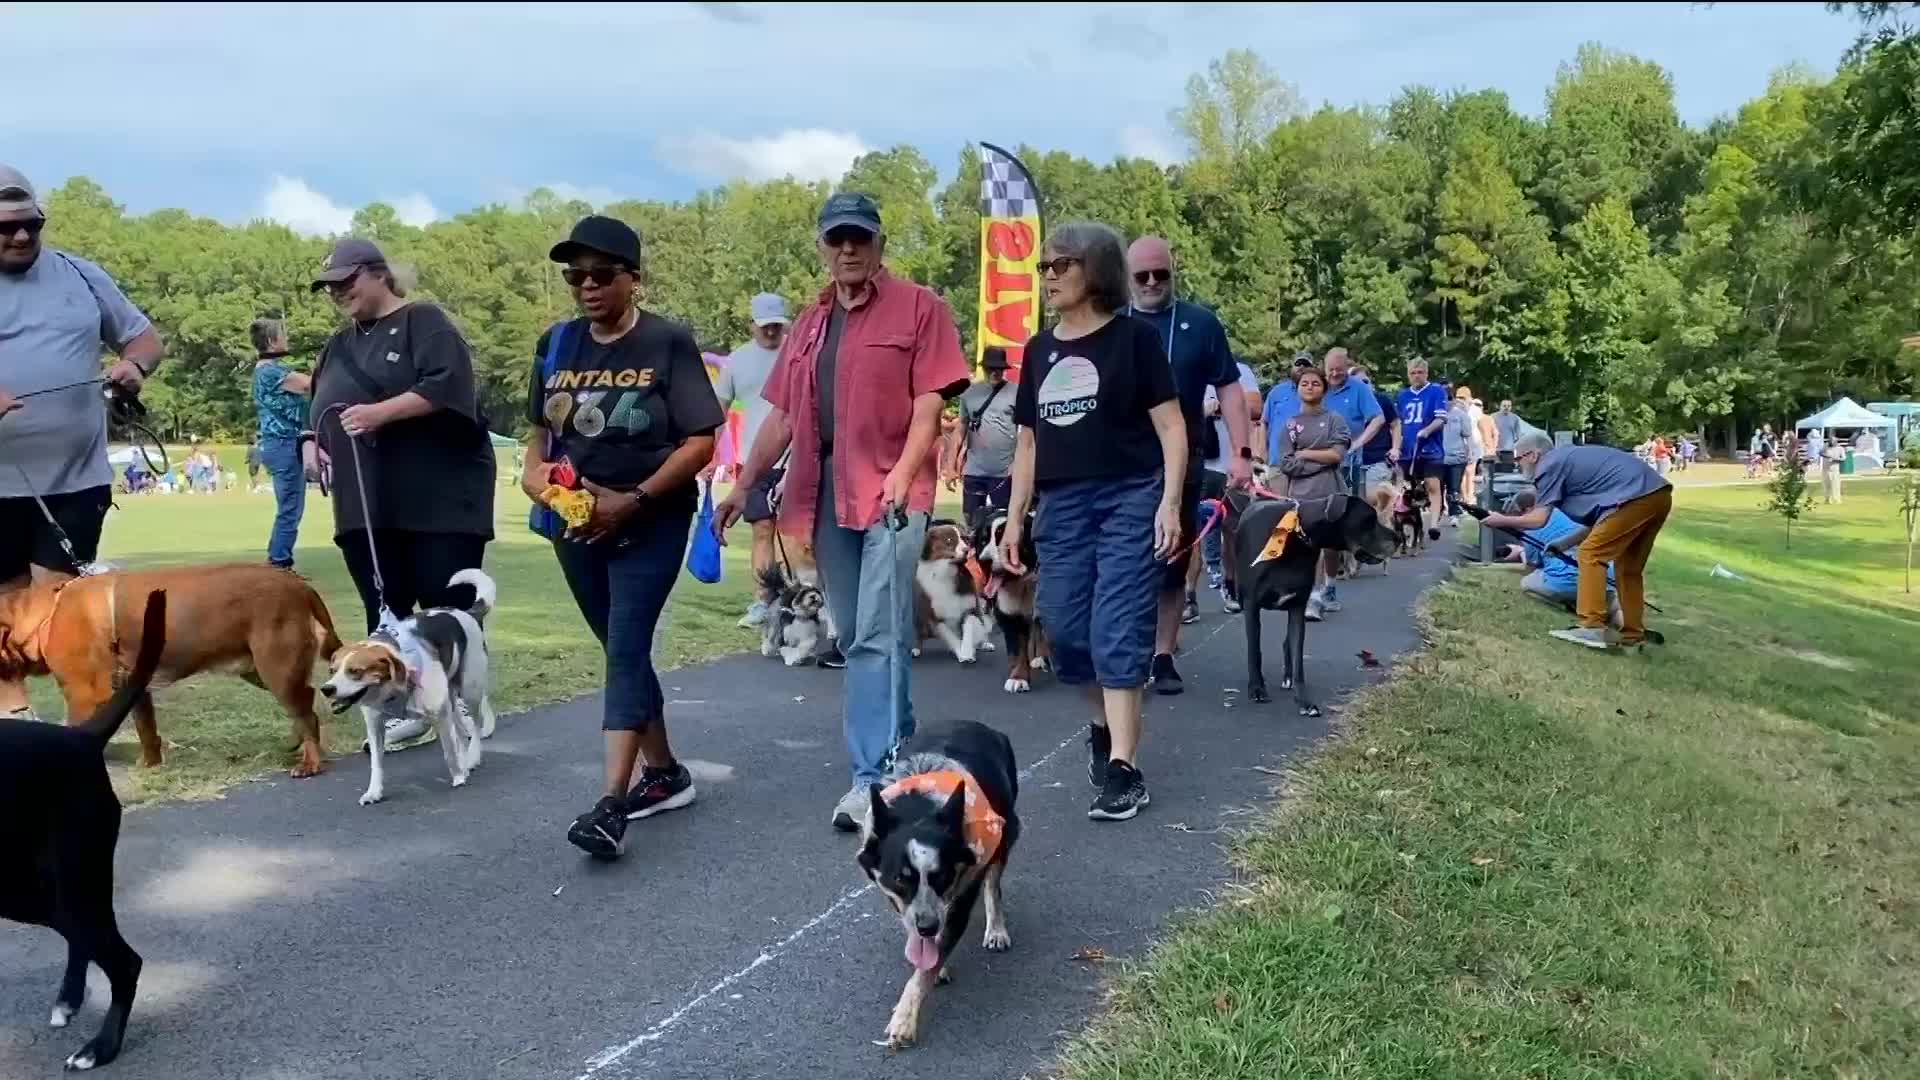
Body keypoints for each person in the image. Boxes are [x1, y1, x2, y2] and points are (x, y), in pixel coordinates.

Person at [715, 192, 970, 831]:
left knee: (877, 634)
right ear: (823, 247)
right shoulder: (809, 322)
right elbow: (781, 417)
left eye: (860, 237)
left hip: (892, 492)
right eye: (837, 239)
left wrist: (905, 472)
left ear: (880, 242)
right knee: (858, 633)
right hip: (825, 491)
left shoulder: (921, 306)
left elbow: (930, 404)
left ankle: (874, 778)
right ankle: (898, 735)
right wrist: (743, 485)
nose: (848, 248)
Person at [520, 216, 724, 859]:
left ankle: (611, 805)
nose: (587, 286)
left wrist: (633, 501)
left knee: (626, 648)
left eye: (602, 274)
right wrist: (539, 483)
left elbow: (700, 442)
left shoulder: (667, 342)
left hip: (650, 518)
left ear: (633, 279)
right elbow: (538, 441)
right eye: (575, 276)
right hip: (576, 524)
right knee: (621, 649)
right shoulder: (556, 344)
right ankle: (664, 773)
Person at [998, 221, 1186, 821]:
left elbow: (1171, 427)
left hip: (1131, 495)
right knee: (1063, 626)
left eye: (1062, 265)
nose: (1048, 277)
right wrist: (1014, 519)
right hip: (1062, 504)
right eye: (1044, 268)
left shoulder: (1135, 341)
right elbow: (1028, 442)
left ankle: (1124, 769)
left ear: (1096, 269)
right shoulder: (1038, 350)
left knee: (1118, 625)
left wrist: (1170, 502)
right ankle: (1103, 728)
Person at [300, 236, 496, 743]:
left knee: (445, 609)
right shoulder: (338, 344)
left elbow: (448, 385)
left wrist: (381, 413)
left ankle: (461, 698)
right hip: (367, 505)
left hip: (437, 500)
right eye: (329, 287)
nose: (337, 292)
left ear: (378, 273)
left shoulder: (423, 321)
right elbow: (318, 403)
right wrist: (310, 442)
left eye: (346, 281)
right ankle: (400, 702)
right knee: (384, 613)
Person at [0, 164, 165, 722]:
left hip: (76, 477)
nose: (22, 236)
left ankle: (81, 726)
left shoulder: (81, 274)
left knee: (63, 607)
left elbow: (143, 338)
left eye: (32, 224)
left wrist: (134, 367)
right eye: (6, 227)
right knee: (3, 612)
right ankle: (14, 722)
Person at [1124, 236, 1251, 694]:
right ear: (1127, 278)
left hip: (1185, 460)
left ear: (1173, 272)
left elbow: (1230, 389)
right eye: (1141, 275)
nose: (1151, 282)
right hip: (1123, 463)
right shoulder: (1112, 321)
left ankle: (1163, 655)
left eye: (1160, 274)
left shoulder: (1200, 323)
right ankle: (1126, 651)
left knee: (1172, 561)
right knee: (1123, 560)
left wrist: (1242, 454)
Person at [1483, 431, 1672, 650]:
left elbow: (1538, 519)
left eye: (1519, 459)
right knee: (1627, 568)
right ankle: (1632, 634)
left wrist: (1500, 520)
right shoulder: (1567, 462)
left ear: (1533, 455)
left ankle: (1592, 626)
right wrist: (1564, 543)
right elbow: (1600, 522)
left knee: (1591, 554)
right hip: (1658, 495)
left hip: (1635, 497)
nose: (1518, 465)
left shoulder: (1549, 465)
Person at [727, 292, 791, 630]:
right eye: (764, 325)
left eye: (776, 325)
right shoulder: (737, 360)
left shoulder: (799, 355)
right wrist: (708, 455)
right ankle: (763, 601)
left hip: (797, 459)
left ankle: (805, 598)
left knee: (799, 535)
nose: (770, 331)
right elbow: (718, 410)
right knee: (762, 530)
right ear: (751, 324)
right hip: (754, 462)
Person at [1314, 348, 1384, 618]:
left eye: (1339, 370)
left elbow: (1378, 418)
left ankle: (1332, 583)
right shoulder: (1317, 385)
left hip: (1347, 466)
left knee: (1337, 524)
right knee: (1315, 526)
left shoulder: (1358, 389)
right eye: (1330, 370)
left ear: (1347, 367)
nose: (1334, 375)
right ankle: (1315, 587)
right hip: (1316, 467)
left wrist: (1358, 443)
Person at [1193, 358, 1260, 610]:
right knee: (1190, 533)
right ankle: (1189, 595)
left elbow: (1255, 408)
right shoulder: (1184, 366)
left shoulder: (1238, 370)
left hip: (1230, 464)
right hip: (1195, 463)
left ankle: (1233, 584)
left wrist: (1221, 405)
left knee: (1234, 531)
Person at [1500, 489, 1621, 627]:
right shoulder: (1564, 511)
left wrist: (1521, 553)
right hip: (1607, 571)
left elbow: (1530, 568)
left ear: (1527, 510)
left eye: (1516, 514)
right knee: (1610, 602)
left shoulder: (1531, 527)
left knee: (1527, 584)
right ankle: (1619, 618)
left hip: (1570, 578)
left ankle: (1574, 605)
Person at [251, 317, 311, 569]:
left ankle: (277, 558)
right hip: (284, 443)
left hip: (277, 444)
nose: (287, 339)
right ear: (272, 340)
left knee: (289, 507)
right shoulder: (271, 372)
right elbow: (310, 385)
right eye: (283, 335)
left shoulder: (266, 370)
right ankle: (279, 562)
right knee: (291, 508)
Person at [952, 346, 1019, 520]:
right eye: (991, 368)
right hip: (974, 471)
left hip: (1004, 472)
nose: (995, 373)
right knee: (971, 519)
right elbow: (961, 428)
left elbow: (1026, 431)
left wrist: (1018, 464)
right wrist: (950, 465)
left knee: (1001, 521)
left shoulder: (1016, 392)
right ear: (983, 369)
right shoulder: (969, 394)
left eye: (999, 369)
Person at [1275, 367, 1351, 506]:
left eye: (1315, 384)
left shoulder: (1335, 419)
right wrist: (1325, 461)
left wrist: (1304, 454)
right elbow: (1287, 464)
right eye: (1304, 384)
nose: (1309, 387)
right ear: (1297, 389)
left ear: (1324, 390)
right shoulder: (1290, 425)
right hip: (1299, 499)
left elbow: (1337, 455)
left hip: (1332, 496)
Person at [1394, 358, 1449, 539]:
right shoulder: (1403, 396)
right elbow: (1397, 423)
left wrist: (1427, 430)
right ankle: (1403, 524)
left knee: (1433, 484)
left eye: (1420, 372)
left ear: (1426, 373)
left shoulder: (1436, 391)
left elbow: (1441, 418)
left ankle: (1433, 524)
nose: (1416, 376)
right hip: (1407, 450)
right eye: (1413, 373)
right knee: (1404, 487)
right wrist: (1396, 445)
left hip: (1430, 448)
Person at [1350, 364, 1403, 521]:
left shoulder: (1382, 400)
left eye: (1365, 381)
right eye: (1357, 383)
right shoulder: (1347, 403)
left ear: (1370, 381)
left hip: (1379, 457)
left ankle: (1394, 503)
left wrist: (1395, 448)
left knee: (1375, 498)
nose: (1363, 385)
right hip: (1355, 460)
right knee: (1361, 504)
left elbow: (1395, 424)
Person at [1441, 386, 1478, 523]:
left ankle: (1454, 513)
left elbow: (1468, 436)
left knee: (1454, 487)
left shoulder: (1461, 415)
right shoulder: (1434, 414)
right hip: (1438, 457)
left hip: (1457, 456)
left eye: (1449, 400)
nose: (1447, 403)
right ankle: (1439, 510)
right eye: (1444, 400)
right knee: (1438, 487)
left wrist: (1471, 452)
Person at [1494, 399, 1522, 464]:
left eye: (1509, 406)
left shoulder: (1515, 418)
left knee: (1508, 469)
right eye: (1504, 406)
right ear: (1500, 406)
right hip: (1495, 450)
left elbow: (1518, 434)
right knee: (1496, 469)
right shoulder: (1493, 417)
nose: (1506, 407)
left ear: (1511, 407)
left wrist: (1516, 447)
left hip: (1508, 450)